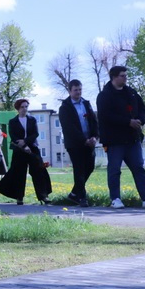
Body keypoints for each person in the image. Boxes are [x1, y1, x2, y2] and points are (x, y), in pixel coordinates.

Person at [96, 66, 145, 209]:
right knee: (114, 170)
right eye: (122, 76)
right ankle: (115, 199)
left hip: (133, 139)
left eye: (126, 75)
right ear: (114, 77)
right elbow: (105, 116)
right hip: (114, 140)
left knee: (139, 168)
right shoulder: (104, 95)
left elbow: (143, 109)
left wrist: (140, 120)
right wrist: (127, 122)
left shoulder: (131, 93)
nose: (125, 78)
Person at [0, 99, 52, 205]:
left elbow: (35, 133)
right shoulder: (13, 121)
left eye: (26, 106)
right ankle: (19, 197)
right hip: (19, 149)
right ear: (18, 108)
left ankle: (43, 196)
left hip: (32, 148)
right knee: (19, 173)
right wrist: (22, 145)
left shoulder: (32, 120)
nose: (24, 109)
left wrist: (25, 141)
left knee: (38, 171)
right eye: (22, 107)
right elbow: (13, 136)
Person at [58, 79, 99, 207]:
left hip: (89, 142)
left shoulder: (86, 104)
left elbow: (94, 121)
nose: (78, 92)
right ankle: (82, 198)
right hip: (75, 144)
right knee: (79, 169)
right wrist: (83, 140)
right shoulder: (65, 108)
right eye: (75, 90)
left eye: (80, 89)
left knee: (90, 167)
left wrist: (94, 137)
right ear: (70, 91)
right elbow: (69, 127)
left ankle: (74, 194)